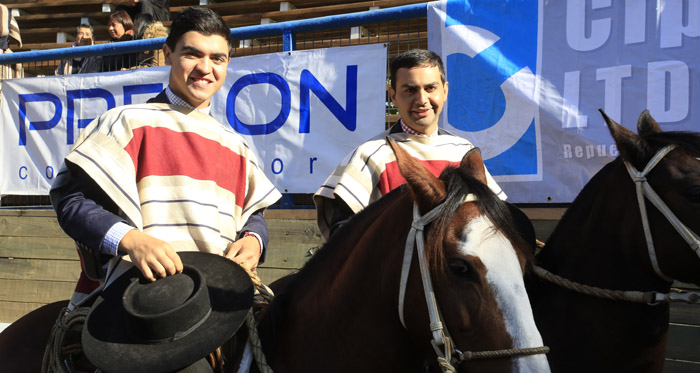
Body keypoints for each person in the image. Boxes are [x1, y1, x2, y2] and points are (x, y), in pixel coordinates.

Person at [50, 6, 281, 306]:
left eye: (217, 58)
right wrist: (130, 241)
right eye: (192, 54)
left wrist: (254, 240)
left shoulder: (237, 145)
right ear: (168, 54)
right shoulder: (125, 122)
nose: (205, 67)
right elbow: (72, 202)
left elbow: (254, 216)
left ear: (227, 63)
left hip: (219, 296)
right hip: (140, 296)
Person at [314, 49, 506, 240]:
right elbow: (343, 237)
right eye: (410, 90)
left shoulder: (463, 152)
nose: (422, 100)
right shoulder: (373, 154)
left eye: (430, 88)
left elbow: (496, 220)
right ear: (394, 96)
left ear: (445, 91)